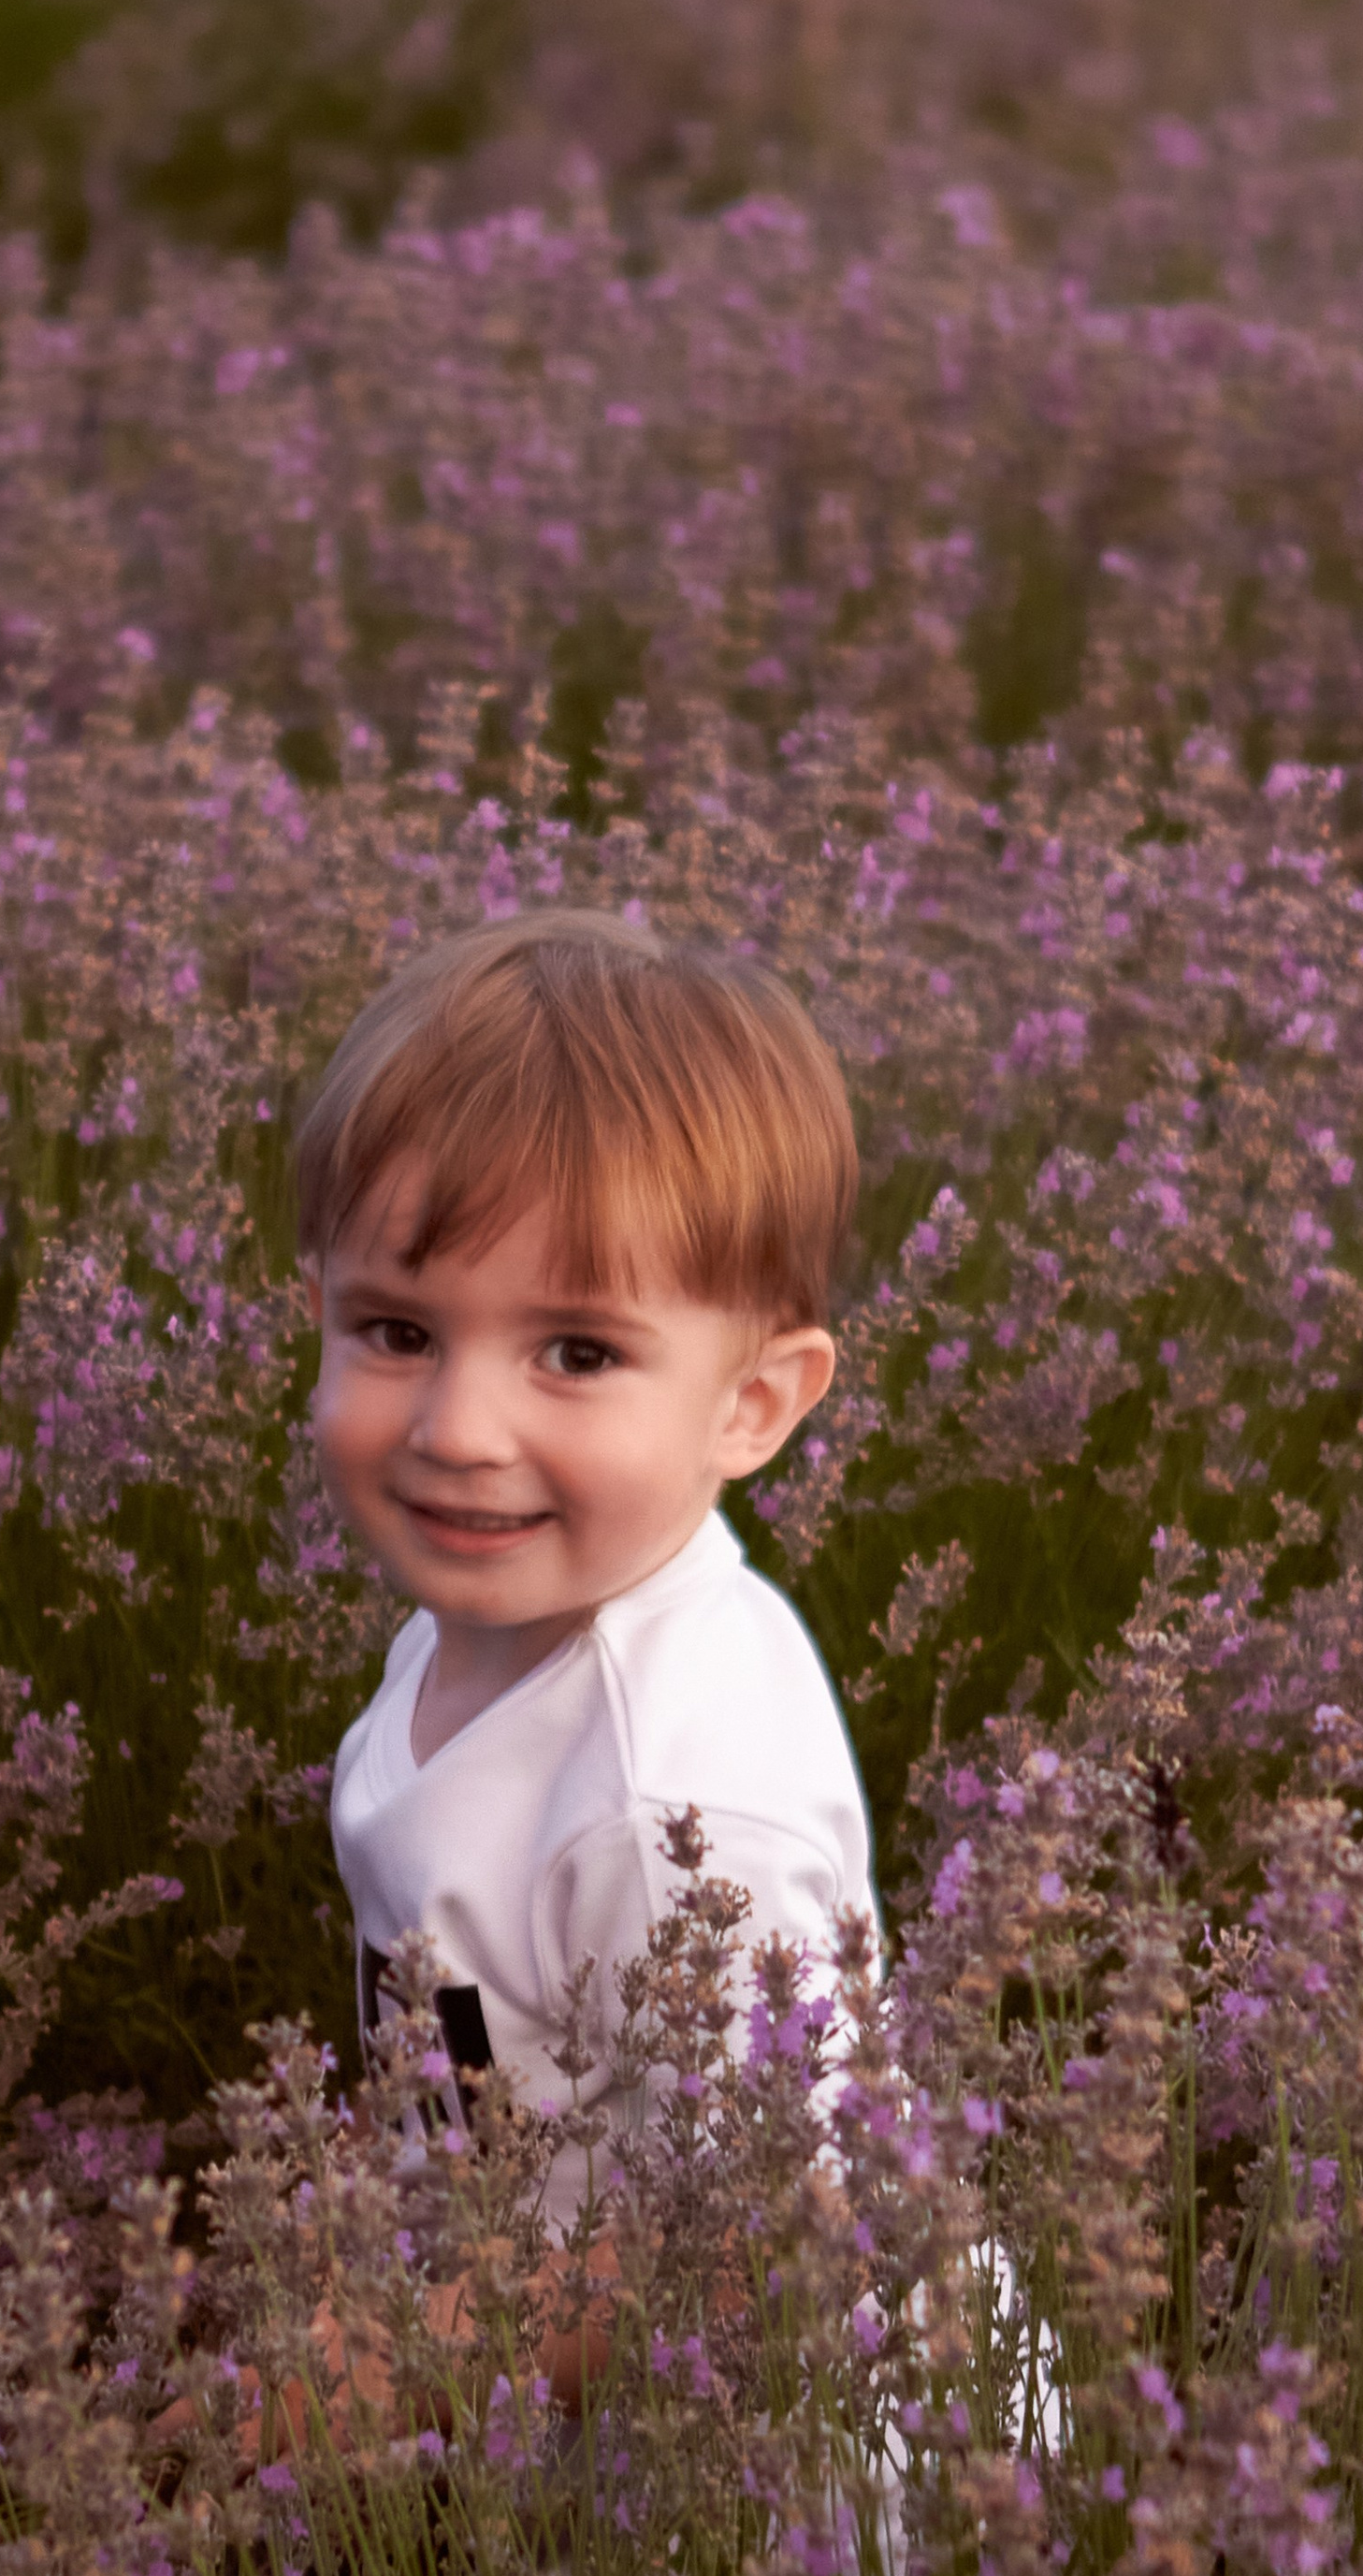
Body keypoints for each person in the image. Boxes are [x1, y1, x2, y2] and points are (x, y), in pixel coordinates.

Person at [220, 906, 877, 2449]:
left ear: (754, 1403)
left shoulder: (670, 1810)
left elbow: (772, 2236)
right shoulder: (505, 1627)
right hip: (558, 2376)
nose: (457, 1425)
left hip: (806, 2512)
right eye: (396, 1329)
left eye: (575, 1353)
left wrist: (396, 2359)